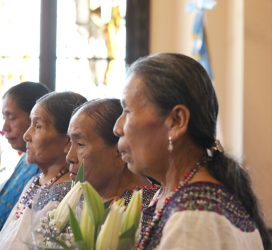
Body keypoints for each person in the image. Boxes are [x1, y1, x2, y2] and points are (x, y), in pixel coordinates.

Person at [113, 53, 271, 250]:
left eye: (127, 111)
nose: (118, 128)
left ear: (177, 121)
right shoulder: (179, 197)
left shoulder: (194, 219)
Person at [0, 91, 87, 249]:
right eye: (30, 124)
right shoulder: (36, 181)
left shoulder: (68, 197)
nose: (26, 135)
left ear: (67, 141)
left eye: (37, 126)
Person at [0, 81, 50, 249]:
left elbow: (27, 234)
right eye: (4, 117)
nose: (4, 127)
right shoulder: (25, 159)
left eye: (11, 117)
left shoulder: (45, 166)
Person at [67, 98, 157, 206]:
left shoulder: (150, 210)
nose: (69, 157)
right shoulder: (71, 198)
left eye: (80, 144)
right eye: (70, 142)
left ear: (120, 152)